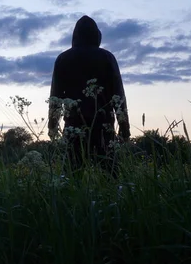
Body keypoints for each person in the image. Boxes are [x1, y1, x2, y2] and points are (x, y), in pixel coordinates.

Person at [48, 15, 130, 177]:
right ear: (97, 36)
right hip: (103, 128)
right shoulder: (107, 57)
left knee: (72, 177)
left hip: (73, 128)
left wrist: (52, 126)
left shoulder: (63, 59)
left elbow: (55, 96)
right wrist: (124, 128)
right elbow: (118, 95)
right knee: (111, 176)